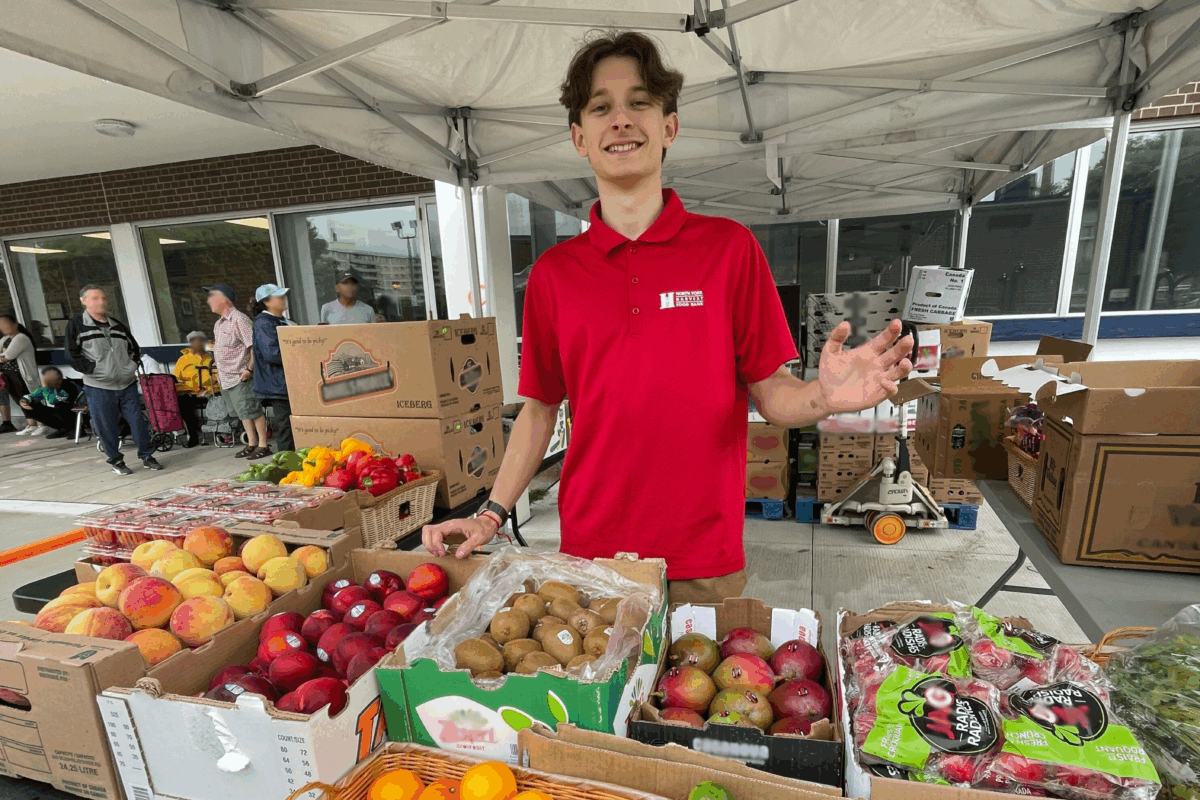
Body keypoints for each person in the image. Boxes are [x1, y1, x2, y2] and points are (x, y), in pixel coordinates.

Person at [422, 32, 913, 604]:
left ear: (669, 127)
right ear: (579, 138)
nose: (621, 120)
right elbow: (539, 408)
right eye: (601, 108)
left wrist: (822, 397)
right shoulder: (554, 274)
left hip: (704, 555)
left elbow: (772, 392)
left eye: (640, 103)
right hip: (591, 555)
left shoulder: (729, 249)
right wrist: (490, 513)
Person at [66, 285, 163, 474]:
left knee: (138, 423)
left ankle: (147, 456)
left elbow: (133, 349)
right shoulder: (76, 325)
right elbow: (72, 355)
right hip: (98, 386)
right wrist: (93, 370)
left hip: (126, 385)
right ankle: (116, 461)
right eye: (95, 298)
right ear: (83, 301)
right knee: (106, 427)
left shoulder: (117, 325)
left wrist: (130, 367)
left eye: (103, 298)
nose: (101, 302)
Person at [207, 284, 269, 459]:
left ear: (223, 299)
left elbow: (254, 346)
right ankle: (252, 443)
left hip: (241, 375)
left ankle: (263, 445)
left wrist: (249, 369)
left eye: (212, 297)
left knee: (253, 410)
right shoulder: (218, 324)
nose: (209, 301)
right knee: (243, 413)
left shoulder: (239, 319)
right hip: (226, 378)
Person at [252, 284, 295, 452]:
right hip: (278, 384)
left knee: (292, 426)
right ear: (266, 301)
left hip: (287, 383)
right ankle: (285, 462)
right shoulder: (263, 323)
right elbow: (272, 354)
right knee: (286, 427)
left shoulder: (283, 321)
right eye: (279, 296)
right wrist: (299, 356)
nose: (284, 299)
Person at [173, 331, 218, 448]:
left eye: (200, 341)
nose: (197, 344)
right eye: (194, 341)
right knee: (183, 402)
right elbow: (176, 379)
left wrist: (206, 388)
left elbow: (216, 377)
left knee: (219, 399)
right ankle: (193, 436)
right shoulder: (183, 359)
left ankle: (221, 432)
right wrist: (185, 389)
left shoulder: (210, 358)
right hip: (189, 392)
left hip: (209, 391)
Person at [18, 367, 80, 439]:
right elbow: (31, 396)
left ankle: (76, 429)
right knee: (28, 404)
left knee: (62, 407)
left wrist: (51, 387)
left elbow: (55, 400)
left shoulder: (68, 386)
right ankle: (63, 429)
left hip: (75, 413)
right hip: (60, 413)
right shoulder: (46, 388)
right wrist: (24, 400)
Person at [0, 314, 37, 434]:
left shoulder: (21, 338)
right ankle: (31, 425)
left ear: (15, 325)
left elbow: (8, 356)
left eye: (5, 324)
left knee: (27, 398)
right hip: (8, 374)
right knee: (19, 399)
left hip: (21, 374)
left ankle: (40, 424)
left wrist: (4, 358)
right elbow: (4, 357)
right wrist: (3, 358)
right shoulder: (4, 340)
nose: (2, 327)